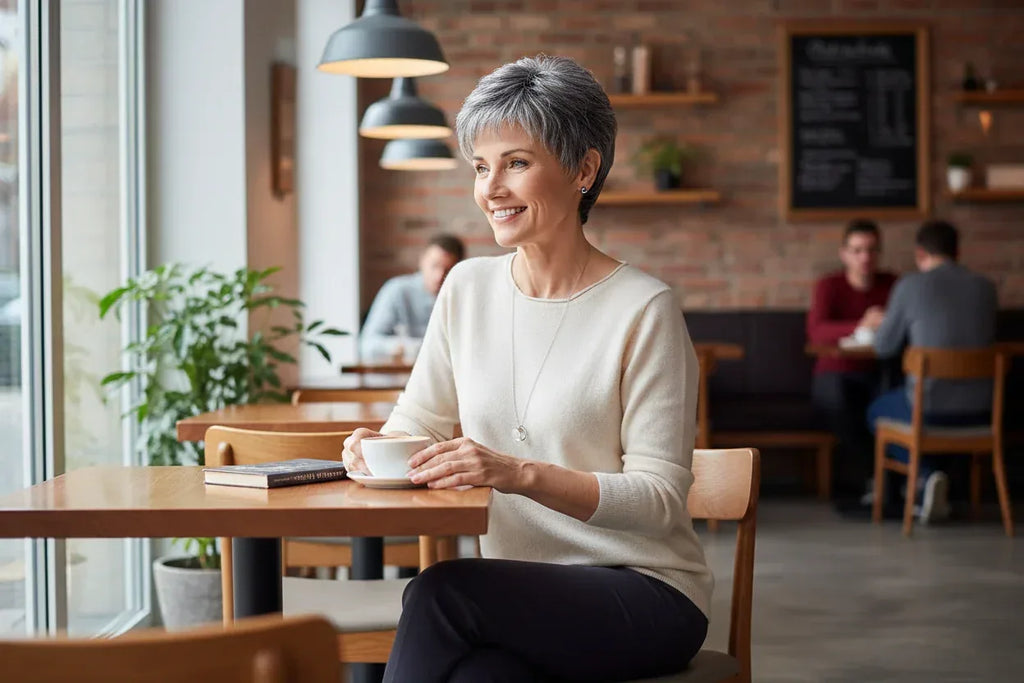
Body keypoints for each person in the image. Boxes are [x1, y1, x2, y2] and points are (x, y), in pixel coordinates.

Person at [343, 56, 711, 683]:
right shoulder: (465, 288)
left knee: (438, 593)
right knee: (477, 674)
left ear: (584, 170)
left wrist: (518, 473)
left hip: (644, 592)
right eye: (481, 167)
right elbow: (421, 422)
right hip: (518, 600)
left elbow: (658, 499)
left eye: (516, 163)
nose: (491, 189)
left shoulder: (644, 308)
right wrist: (380, 447)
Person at [868, 220, 997, 523]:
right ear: (958, 252)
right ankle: (938, 484)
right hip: (983, 411)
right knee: (922, 404)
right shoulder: (986, 288)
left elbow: (883, 347)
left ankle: (927, 478)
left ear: (920, 253)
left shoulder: (910, 285)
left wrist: (881, 323)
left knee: (876, 410)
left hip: (929, 410)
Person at [806, 219, 897, 501]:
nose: (865, 258)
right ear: (844, 253)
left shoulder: (893, 284)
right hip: (835, 372)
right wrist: (862, 324)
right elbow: (817, 332)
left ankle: (894, 481)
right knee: (839, 399)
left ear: (879, 253)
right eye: (857, 250)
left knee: (895, 394)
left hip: (879, 369)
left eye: (871, 250)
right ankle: (874, 478)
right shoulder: (828, 285)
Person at [359, 234, 465, 362]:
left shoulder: (463, 297)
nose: (439, 276)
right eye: (434, 266)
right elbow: (367, 345)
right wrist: (406, 347)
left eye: (447, 269)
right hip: (401, 377)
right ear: (422, 261)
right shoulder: (396, 290)